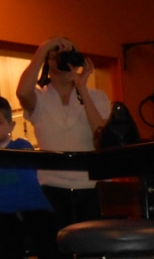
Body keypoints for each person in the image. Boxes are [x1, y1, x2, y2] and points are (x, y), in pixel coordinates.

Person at [15, 37, 111, 228]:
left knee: (97, 250)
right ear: (47, 61)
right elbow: (22, 93)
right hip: (52, 187)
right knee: (56, 250)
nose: (64, 59)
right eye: (56, 56)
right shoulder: (39, 98)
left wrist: (82, 88)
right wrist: (44, 48)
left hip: (93, 185)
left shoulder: (96, 97)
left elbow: (101, 134)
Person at [0, 97, 63, 259]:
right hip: (4, 215)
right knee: (7, 243)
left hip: (33, 209)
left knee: (49, 240)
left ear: (10, 125)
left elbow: (21, 176)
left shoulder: (21, 147)